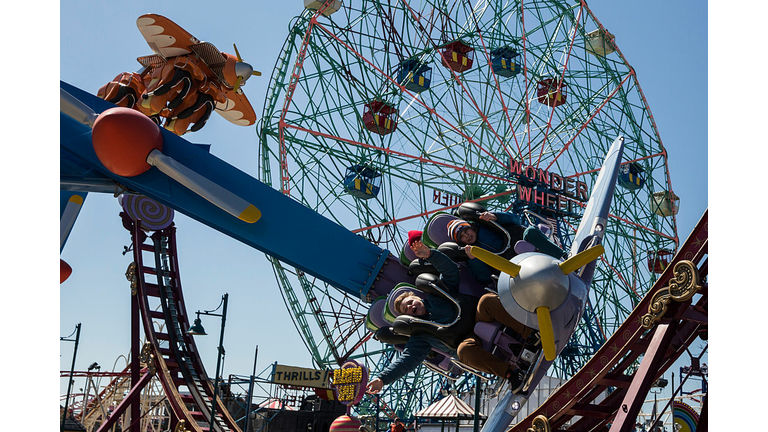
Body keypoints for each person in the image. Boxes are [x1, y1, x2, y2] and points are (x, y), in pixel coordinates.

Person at [366, 232, 465, 395]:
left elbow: (451, 271)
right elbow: (407, 360)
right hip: (466, 345)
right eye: (406, 309)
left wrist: (430, 255)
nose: (411, 306)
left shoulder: (438, 294)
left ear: (419, 297)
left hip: (478, 319)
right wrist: (383, 379)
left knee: (487, 302)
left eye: (411, 302)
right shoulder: (420, 336)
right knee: (467, 353)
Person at [447, 209, 565, 285]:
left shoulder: (486, 222)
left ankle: (564, 258)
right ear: (461, 242)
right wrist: (474, 260)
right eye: (462, 237)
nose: (467, 236)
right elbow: (484, 279)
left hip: (517, 240)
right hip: (510, 264)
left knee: (531, 231)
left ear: (471, 227)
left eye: (465, 231)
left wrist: (496, 217)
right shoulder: (471, 254)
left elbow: (516, 219)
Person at [456, 288, 533, 389]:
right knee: (463, 351)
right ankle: (511, 373)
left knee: (486, 301)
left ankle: (532, 334)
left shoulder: (433, 285)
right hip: (468, 338)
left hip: (478, 315)